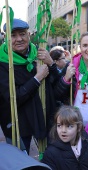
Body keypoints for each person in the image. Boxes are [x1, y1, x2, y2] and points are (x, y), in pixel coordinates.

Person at [0, 19, 59, 154]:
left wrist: (51, 64)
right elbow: (13, 98)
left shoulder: (40, 55)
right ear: (6, 38)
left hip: (44, 118)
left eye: (22, 34)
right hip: (17, 123)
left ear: (29, 35)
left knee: (50, 158)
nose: (19, 39)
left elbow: (57, 85)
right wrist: (37, 78)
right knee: (20, 161)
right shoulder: (2, 62)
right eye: (13, 35)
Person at [41, 105, 88, 170]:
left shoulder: (87, 144)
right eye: (59, 126)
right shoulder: (51, 153)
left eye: (69, 126)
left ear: (79, 127)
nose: (63, 130)